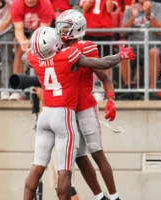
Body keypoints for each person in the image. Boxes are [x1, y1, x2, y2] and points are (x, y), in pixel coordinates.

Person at [22, 26, 135, 200]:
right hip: (63, 115)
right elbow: (101, 63)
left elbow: (25, 56)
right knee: (64, 171)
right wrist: (121, 56)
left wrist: (36, 49)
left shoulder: (33, 58)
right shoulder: (68, 55)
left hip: (45, 114)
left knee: (37, 167)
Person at [55, 9, 120, 200]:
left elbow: (103, 75)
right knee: (78, 155)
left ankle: (115, 197)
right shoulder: (55, 48)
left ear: (78, 28)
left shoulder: (86, 47)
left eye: (66, 26)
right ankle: (100, 197)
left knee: (96, 152)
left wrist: (110, 99)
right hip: (66, 108)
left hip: (84, 105)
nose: (62, 30)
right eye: (61, 26)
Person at [33, 87, 80, 200]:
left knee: (67, 186)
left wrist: (44, 98)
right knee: (58, 186)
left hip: (62, 138)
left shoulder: (62, 85)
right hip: (52, 139)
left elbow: (58, 109)